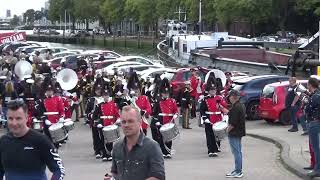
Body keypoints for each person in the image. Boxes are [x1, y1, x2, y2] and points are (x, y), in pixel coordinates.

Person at [0, 99, 65, 180]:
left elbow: (59, 169)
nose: (14, 123)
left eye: (18, 118)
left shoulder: (40, 140)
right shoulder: (3, 141)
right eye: (10, 118)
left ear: (26, 118)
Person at [104, 105, 165, 180]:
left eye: (130, 121)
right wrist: (111, 177)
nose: (126, 125)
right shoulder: (117, 147)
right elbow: (115, 172)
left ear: (140, 122)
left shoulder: (152, 147)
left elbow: (158, 176)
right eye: (123, 122)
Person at [220, 89, 246, 178]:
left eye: (230, 96)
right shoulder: (240, 105)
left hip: (234, 132)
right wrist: (223, 109)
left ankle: (238, 171)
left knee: (236, 152)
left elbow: (233, 123)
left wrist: (226, 131)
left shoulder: (236, 107)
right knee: (238, 152)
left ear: (233, 97)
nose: (229, 98)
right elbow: (231, 114)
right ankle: (238, 170)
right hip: (239, 132)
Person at [151, 78, 179, 158]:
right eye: (164, 93)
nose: (165, 94)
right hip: (161, 120)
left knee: (169, 137)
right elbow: (154, 112)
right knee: (161, 137)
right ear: (161, 93)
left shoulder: (172, 101)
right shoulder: (158, 101)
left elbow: (175, 110)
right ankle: (163, 152)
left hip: (169, 120)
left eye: (167, 93)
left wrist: (175, 115)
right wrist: (156, 120)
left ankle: (168, 152)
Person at [92, 87, 120, 161]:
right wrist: (98, 122)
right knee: (102, 139)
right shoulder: (99, 105)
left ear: (109, 96)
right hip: (102, 123)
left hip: (110, 123)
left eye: (107, 95)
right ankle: (104, 154)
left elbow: (117, 114)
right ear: (102, 96)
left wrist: (118, 120)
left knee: (110, 140)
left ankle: (109, 153)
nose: (106, 97)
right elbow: (94, 116)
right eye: (104, 95)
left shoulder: (113, 105)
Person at [200, 84, 227, 157]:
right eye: (211, 90)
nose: (213, 92)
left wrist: (224, 115)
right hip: (209, 117)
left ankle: (216, 148)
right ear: (209, 91)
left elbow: (225, 107)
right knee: (209, 135)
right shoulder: (205, 99)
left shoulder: (220, 98)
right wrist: (205, 118)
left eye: (214, 90)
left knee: (217, 134)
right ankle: (210, 150)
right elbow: (202, 110)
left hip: (218, 118)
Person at [305, 78, 320, 177]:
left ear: (310, 85)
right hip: (317, 121)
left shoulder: (315, 96)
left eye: (307, 84)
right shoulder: (317, 94)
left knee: (316, 148)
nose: (307, 86)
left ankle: (318, 169)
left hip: (314, 123)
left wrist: (306, 103)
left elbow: (308, 110)